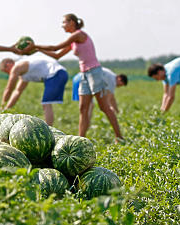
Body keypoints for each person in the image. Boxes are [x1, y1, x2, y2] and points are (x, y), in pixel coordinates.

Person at [33, 13, 123, 142]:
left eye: (64, 22)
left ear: (72, 22)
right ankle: (81, 140)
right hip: (84, 75)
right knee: (83, 108)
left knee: (104, 107)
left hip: (94, 73)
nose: (62, 25)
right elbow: (57, 55)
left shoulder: (78, 35)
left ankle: (119, 137)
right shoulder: (73, 40)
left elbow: (55, 47)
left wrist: (35, 46)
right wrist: (37, 50)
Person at [0, 56, 68, 126]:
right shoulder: (23, 73)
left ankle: (48, 130)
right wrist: (6, 109)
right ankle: (48, 128)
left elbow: (9, 89)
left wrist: (2, 105)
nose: (8, 74)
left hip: (56, 74)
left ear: (8, 65)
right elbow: (17, 91)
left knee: (46, 103)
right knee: (46, 103)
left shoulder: (17, 67)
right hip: (57, 74)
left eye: (6, 72)